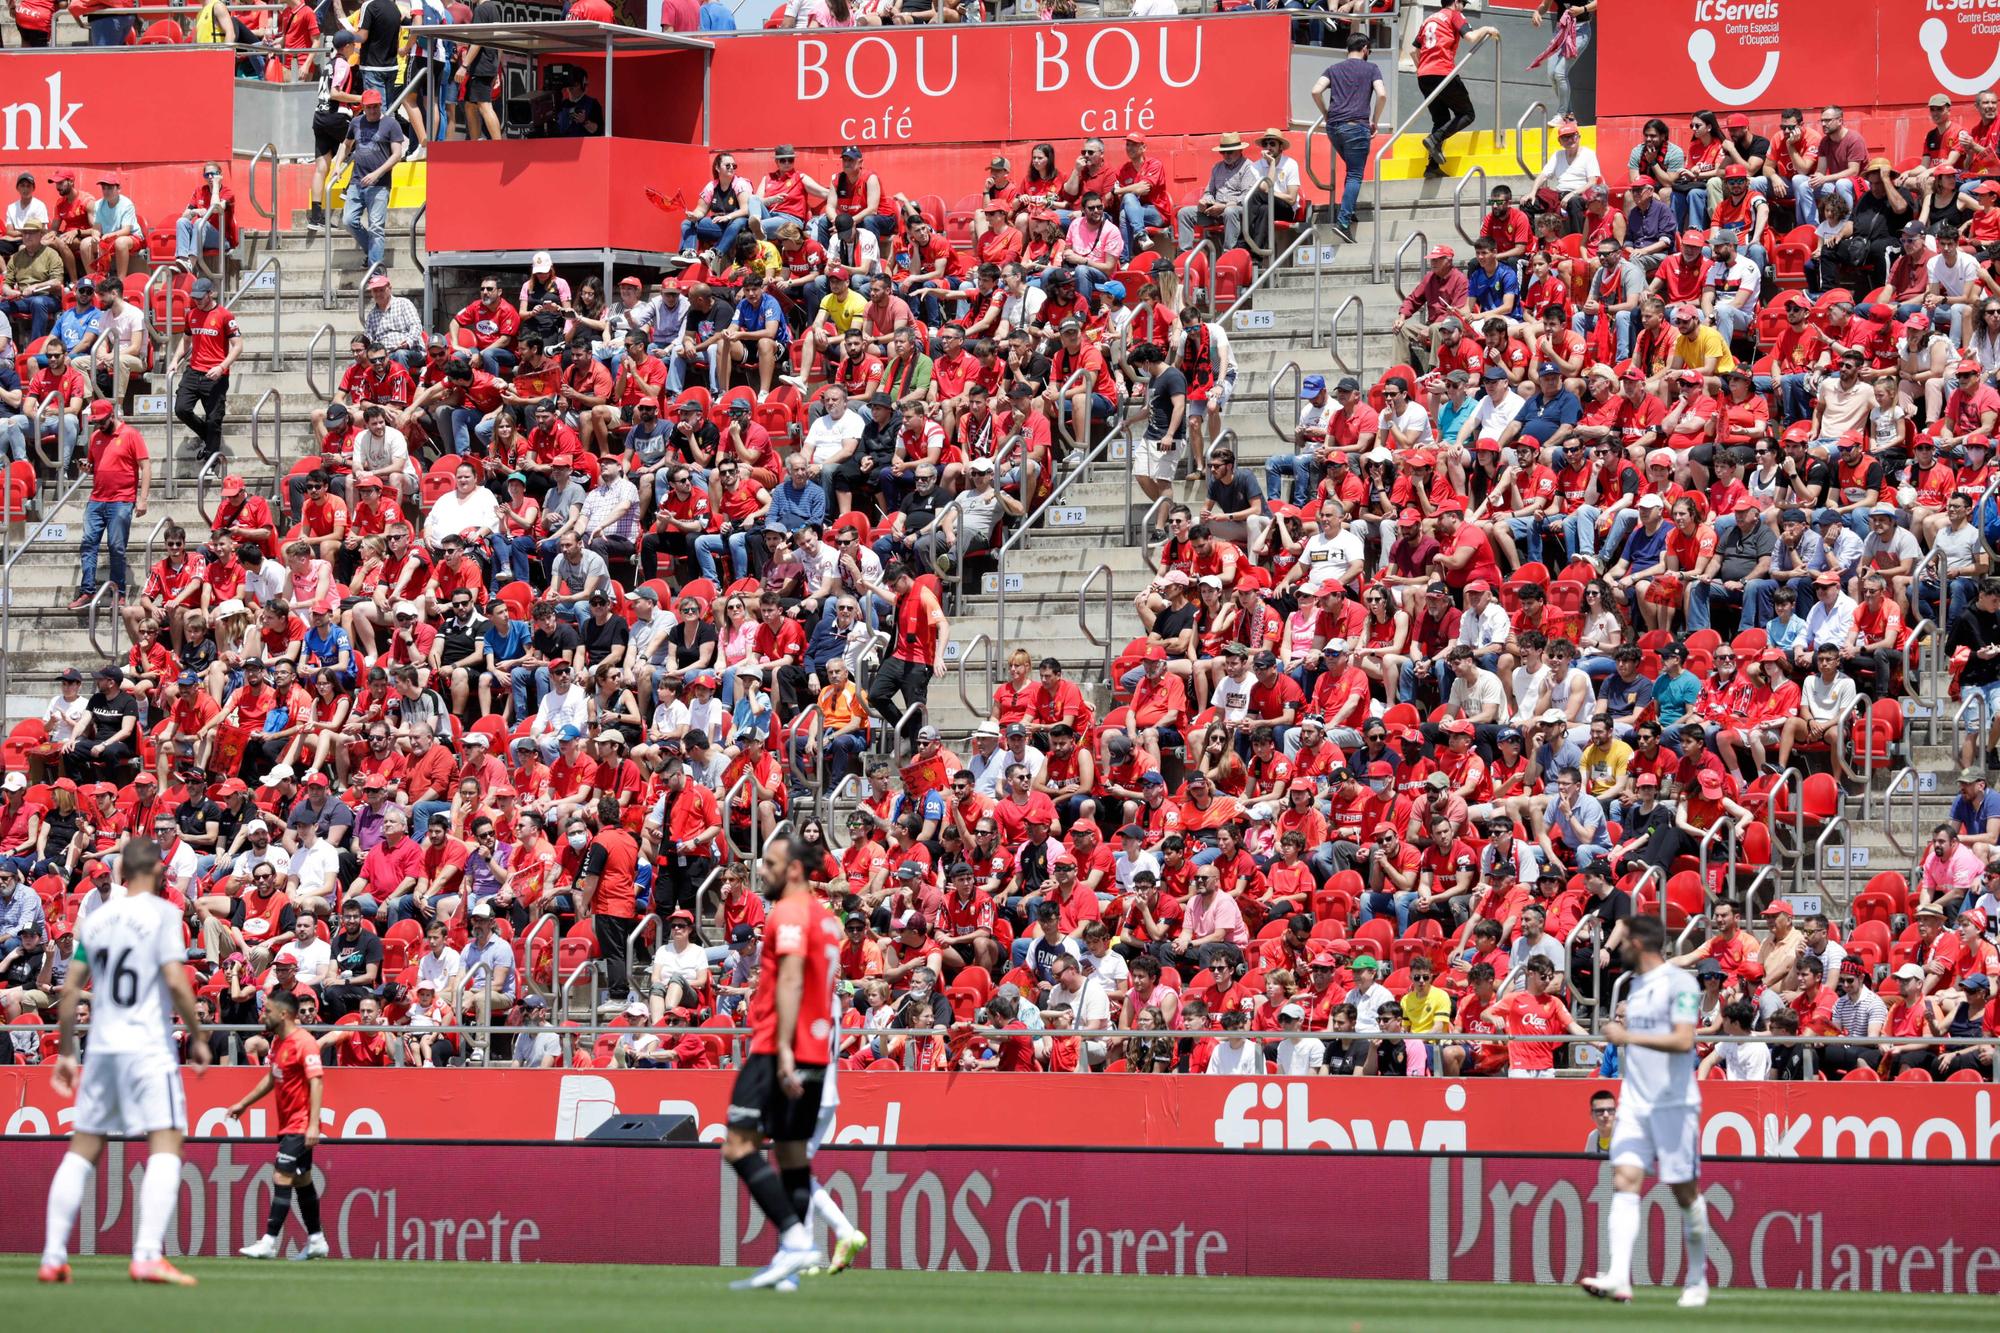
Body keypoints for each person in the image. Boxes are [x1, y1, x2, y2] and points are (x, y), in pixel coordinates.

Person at [38, 836, 210, 1286]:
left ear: (118, 873)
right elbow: (175, 979)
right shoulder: (163, 914)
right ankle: (148, 1254)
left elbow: (71, 987)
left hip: (102, 1048)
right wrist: (197, 1036)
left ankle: (53, 1256)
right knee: (168, 1142)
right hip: (148, 1046)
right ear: (154, 871)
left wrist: (68, 1050)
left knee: (84, 1148)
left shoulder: (96, 920)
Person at [721, 835, 840, 1290]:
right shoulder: (825, 919)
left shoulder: (788, 914)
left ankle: (794, 1238)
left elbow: (790, 980)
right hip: (816, 1050)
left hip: (778, 1045)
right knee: (791, 1153)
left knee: (737, 1145)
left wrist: (784, 1050)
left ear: (793, 869)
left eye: (770, 863)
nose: (762, 871)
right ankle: (791, 1264)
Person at [1581, 914, 1710, 1308]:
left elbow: (1684, 1040)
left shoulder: (1682, 984)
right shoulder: (1634, 988)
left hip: (1674, 1103)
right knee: (1624, 1179)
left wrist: (1627, 1035)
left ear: (1637, 943)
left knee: (1684, 1192)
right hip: (1635, 1103)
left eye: (1622, 940)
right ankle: (1619, 1277)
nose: (1617, 947)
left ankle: (1698, 1279)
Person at [225, 988, 329, 1260]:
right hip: (289, 1124)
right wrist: (243, 1103)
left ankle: (269, 1242)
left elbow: (316, 1081)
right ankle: (316, 1238)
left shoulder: (304, 1042)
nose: (263, 1015)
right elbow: (272, 1078)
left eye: (268, 1011)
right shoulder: (280, 1043)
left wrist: (314, 1124)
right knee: (302, 1180)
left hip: (300, 1123)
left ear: (283, 1014)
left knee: (282, 1176)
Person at [69, 400, 150, 612]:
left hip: (122, 500)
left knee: (116, 546)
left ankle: (118, 592)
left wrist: (143, 498)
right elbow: (95, 467)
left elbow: (145, 465)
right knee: (88, 543)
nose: (99, 425)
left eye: (102, 421)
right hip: (97, 499)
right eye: (95, 422)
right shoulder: (96, 437)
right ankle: (87, 590)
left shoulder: (131, 434)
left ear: (111, 415)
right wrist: (86, 468)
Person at [1311, 33, 1387, 242]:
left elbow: (1316, 91)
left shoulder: (1333, 69)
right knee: (1355, 174)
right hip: (1356, 126)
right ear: (1365, 49)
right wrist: (1375, 120)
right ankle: (1343, 222)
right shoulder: (1371, 69)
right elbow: (1382, 94)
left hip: (1334, 128)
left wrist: (1326, 115)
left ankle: (1348, 208)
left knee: (1351, 169)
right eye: (1369, 51)